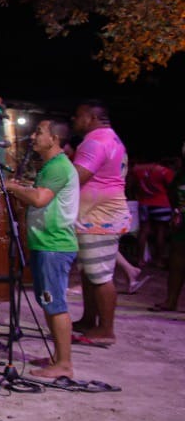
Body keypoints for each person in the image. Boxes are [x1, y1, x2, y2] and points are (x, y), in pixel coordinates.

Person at [5, 119, 81, 379]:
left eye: (39, 132)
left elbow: (39, 198)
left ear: (55, 139)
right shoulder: (51, 166)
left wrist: (13, 188)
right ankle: (59, 356)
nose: (34, 136)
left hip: (54, 245)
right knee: (48, 302)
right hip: (46, 243)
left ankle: (65, 364)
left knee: (55, 303)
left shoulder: (58, 166)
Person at [69, 100, 131, 345]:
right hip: (98, 215)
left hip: (99, 217)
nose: (75, 120)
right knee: (89, 272)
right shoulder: (111, 138)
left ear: (91, 118)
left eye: (78, 115)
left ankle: (105, 329)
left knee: (100, 275)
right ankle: (89, 320)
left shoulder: (95, 142)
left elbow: (76, 177)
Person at [151, 145, 185, 312]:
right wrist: (176, 211)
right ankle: (171, 301)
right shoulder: (180, 176)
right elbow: (172, 193)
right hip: (181, 222)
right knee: (176, 261)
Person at [131, 154, 174, 269]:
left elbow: (133, 184)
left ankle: (140, 259)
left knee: (143, 231)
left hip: (144, 202)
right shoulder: (164, 171)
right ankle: (158, 260)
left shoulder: (136, 169)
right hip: (162, 203)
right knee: (160, 232)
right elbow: (172, 188)